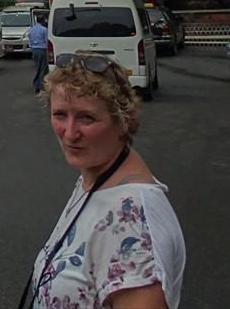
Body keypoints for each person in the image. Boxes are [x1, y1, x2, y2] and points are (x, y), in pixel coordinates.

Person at [28, 53, 186, 308]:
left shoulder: (131, 220)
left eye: (86, 117)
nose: (70, 133)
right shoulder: (96, 179)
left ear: (124, 121)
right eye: (60, 115)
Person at [28, 11, 50, 93]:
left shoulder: (32, 30)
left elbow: (30, 41)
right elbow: (46, 41)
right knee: (43, 68)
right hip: (42, 49)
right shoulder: (44, 29)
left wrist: (32, 48)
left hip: (34, 50)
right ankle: (42, 85)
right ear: (43, 20)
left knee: (38, 68)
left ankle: (36, 85)